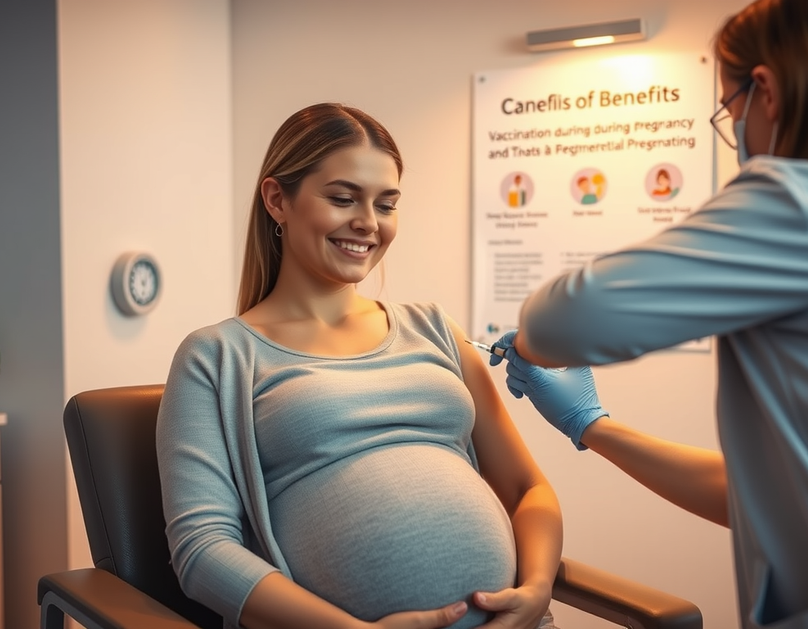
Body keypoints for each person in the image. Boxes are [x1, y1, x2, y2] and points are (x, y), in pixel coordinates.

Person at [490, 0, 808, 627]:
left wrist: (534, 344)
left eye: (730, 107)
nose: (737, 130)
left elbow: (565, 319)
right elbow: (758, 497)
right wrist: (593, 425)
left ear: (767, 91)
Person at [157, 103, 562, 629]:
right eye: (343, 198)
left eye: (386, 204)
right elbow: (202, 551)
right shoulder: (216, 357)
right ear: (278, 199)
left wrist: (536, 590)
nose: (368, 224)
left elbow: (528, 488)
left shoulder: (434, 328)